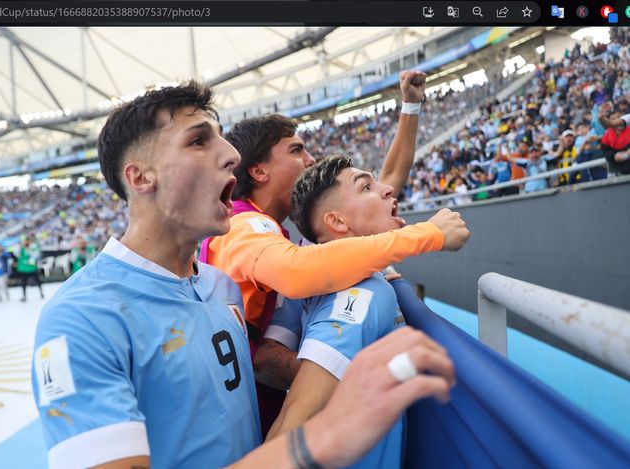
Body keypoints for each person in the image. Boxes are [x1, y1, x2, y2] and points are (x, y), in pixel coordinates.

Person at [31, 81, 455, 468]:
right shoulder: (79, 319)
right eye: (198, 140)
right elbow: (295, 277)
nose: (231, 154)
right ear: (140, 177)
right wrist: (319, 434)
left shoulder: (221, 287)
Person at [202, 71, 469, 433]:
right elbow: (297, 273)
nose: (310, 159)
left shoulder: (280, 233)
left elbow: (381, 190)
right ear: (259, 170)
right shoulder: (244, 225)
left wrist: (409, 107)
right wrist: (429, 235)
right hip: (249, 419)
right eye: (296, 150)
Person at [266, 155, 454, 469]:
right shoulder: (361, 293)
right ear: (337, 223)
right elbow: (294, 423)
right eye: (366, 186)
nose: (387, 189)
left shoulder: (344, 280)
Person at [17, 234, 44, 301]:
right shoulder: (21, 248)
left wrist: (30, 251)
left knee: (38, 281)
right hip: (24, 269)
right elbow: (17, 254)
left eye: (28, 241)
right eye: (25, 241)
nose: (26, 242)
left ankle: (41, 293)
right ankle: (24, 296)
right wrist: (20, 247)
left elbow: (37, 255)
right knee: (23, 283)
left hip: (32, 268)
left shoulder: (33, 248)